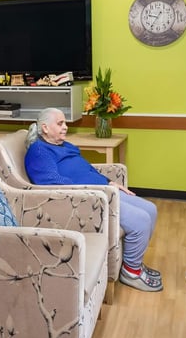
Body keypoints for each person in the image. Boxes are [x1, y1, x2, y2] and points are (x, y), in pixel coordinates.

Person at [24, 107, 163, 292]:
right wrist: (94, 190)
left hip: (104, 191)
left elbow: (87, 168)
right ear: (45, 128)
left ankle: (134, 262)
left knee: (151, 209)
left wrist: (110, 182)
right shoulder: (39, 151)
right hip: (89, 200)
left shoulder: (64, 146)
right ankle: (131, 272)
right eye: (60, 123)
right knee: (141, 221)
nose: (65, 127)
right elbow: (53, 183)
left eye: (65, 123)